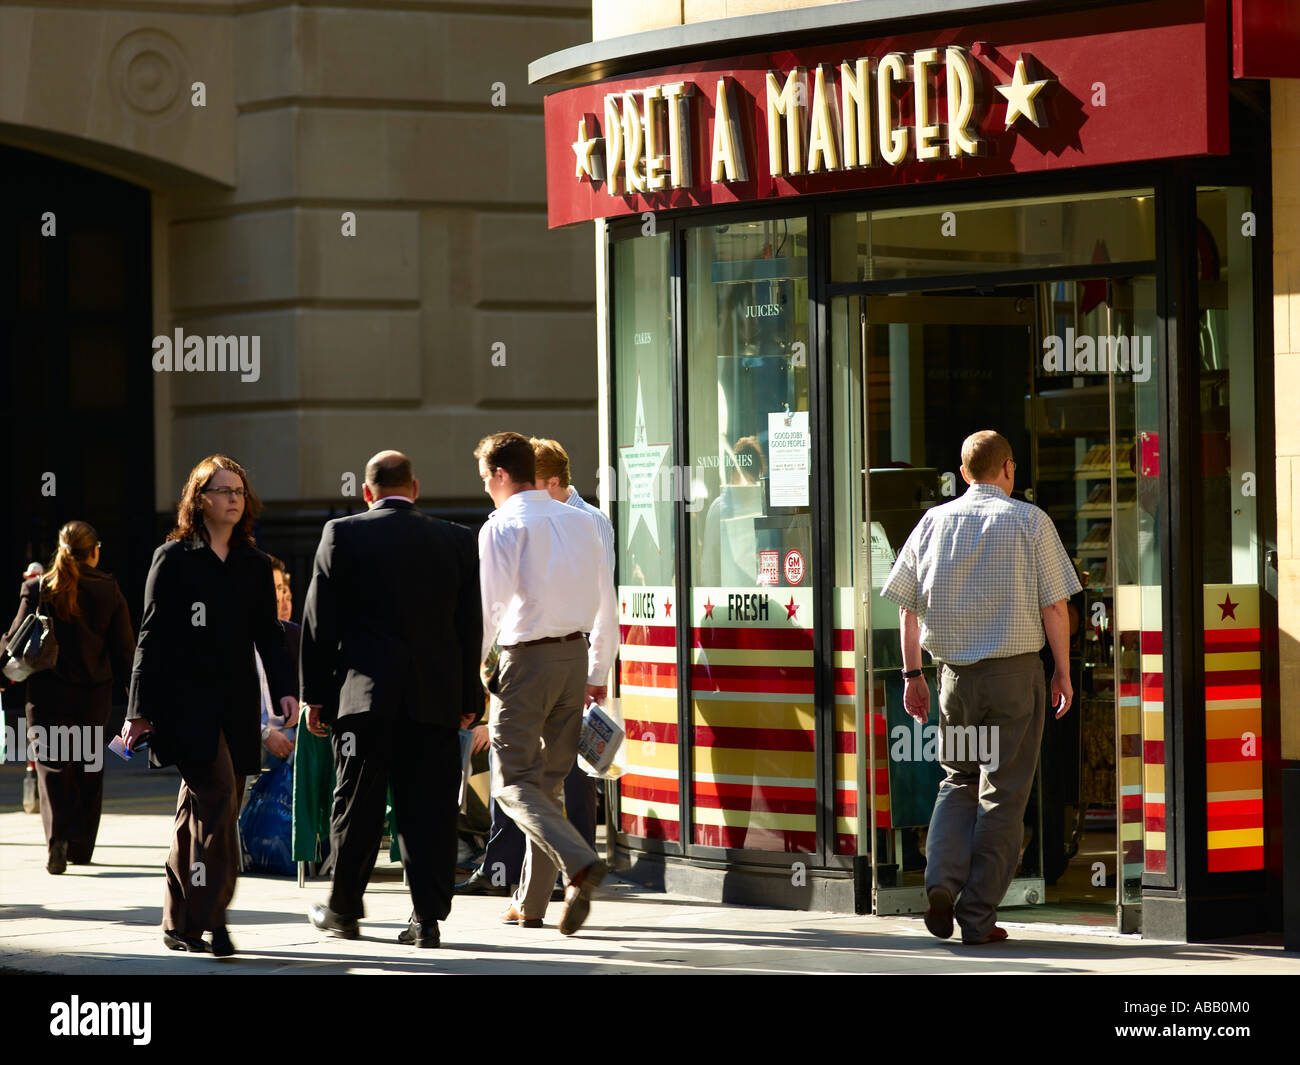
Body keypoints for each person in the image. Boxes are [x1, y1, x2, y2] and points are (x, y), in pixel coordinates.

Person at [880, 430, 1079, 945]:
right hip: (1014, 680)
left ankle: (940, 883)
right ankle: (977, 917)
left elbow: (906, 607)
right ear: (1008, 469)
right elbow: (1054, 606)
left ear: (965, 473)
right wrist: (1062, 669)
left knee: (960, 782)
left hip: (956, 683)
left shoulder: (932, 523)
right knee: (1003, 797)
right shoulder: (1030, 522)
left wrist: (911, 675)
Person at [301, 451, 481, 949]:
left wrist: (315, 697)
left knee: (356, 806)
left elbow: (319, 625)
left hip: (365, 700)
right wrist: (470, 695)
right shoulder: (456, 539)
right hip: (434, 700)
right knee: (430, 810)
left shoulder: (342, 534)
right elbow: (470, 628)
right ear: (415, 488)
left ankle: (343, 910)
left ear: (366, 492)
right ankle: (427, 919)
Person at [123, 455, 296, 957]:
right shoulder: (173, 558)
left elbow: (268, 633)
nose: (233, 498)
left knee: (200, 811)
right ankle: (215, 918)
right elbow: (150, 637)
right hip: (185, 704)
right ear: (199, 499)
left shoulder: (255, 564)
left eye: (239, 490)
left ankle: (178, 920)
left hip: (238, 705)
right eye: (222, 490)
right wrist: (139, 708)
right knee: (218, 802)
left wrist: (285, 688)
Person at [457, 436, 616, 897]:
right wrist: (598, 673)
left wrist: (472, 678)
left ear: (502, 475)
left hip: (526, 662)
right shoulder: (583, 522)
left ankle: (580, 861)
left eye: (487, 479)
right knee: (548, 786)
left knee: (511, 784)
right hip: (575, 660)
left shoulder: (501, 526)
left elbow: (490, 611)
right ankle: (531, 902)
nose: (486, 488)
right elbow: (608, 605)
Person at [0, 522, 135, 873]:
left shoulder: (38, 588)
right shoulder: (109, 590)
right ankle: (81, 846)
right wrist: (137, 702)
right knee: (87, 766)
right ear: (94, 552)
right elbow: (125, 653)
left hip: (47, 693)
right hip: (93, 696)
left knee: (52, 765)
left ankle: (57, 838)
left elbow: (15, 637)